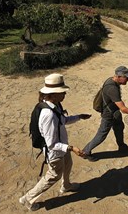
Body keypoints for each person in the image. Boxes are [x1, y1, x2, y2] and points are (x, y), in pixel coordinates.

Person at [19, 73, 91, 211]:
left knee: (68, 164)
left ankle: (66, 185)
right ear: (53, 94)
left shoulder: (54, 105)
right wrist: (72, 148)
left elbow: (63, 121)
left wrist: (79, 117)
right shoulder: (48, 114)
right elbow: (51, 144)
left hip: (63, 147)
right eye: (62, 92)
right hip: (55, 152)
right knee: (53, 176)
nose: (65, 94)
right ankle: (27, 198)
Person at [83, 66, 128, 162]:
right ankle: (85, 152)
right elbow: (124, 109)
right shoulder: (112, 88)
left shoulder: (112, 80)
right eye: (126, 77)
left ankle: (122, 147)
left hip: (115, 113)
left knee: (119, 128)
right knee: (101, 135)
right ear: (119, 76)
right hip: (109, 115)